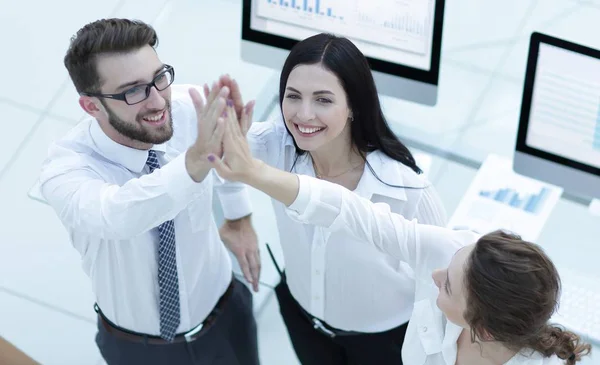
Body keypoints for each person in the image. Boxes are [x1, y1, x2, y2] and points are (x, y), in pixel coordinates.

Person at [207, 105, 593, 365]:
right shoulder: (449, 250)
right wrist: (256, 174)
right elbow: (353, 214)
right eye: (453, 265)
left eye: (447, 288)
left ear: (483, 329)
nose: (435, 275)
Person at [212, 32, 447, 364]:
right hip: (304, 320)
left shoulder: (405, 187)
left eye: (323, 100)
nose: (304, 115)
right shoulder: (277, 145)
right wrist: (237, 216)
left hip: (385, 341)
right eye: (293, 96)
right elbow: (221, 156)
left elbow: (443, 275)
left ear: (353, 106)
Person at [38, 19, 260, 365]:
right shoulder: (66, 170)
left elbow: (230, 146)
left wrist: (238, 214)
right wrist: (193, 164)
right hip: (139, 349)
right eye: (133, 91)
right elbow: (118, 216)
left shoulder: (187, 108)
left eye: (159, 77)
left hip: (226, 315)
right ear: (91, 106)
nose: (157, 101)